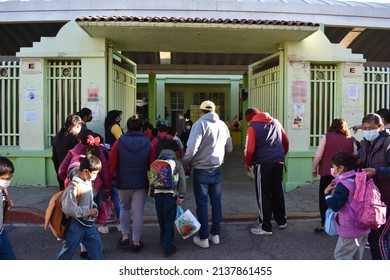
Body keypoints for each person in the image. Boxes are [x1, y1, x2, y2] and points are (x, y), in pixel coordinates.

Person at [182, 100, 233, 248]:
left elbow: (191, 148)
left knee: (202, 204)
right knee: (216, 202)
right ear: (214, 110)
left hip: (201, 169)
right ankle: (215, 234)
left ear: (201, 111)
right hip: (217, 168)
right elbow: (229, 147)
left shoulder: (199, 124)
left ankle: (203, 238)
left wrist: (186, 160)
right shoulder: (222, 125)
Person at [108, 115, 155, 253]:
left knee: (124, 208)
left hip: (123, 182)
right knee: (138, 212)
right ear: (141, 128)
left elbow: (111, 164)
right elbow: (152, 166)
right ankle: (136, 241)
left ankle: (124, 237)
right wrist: (152, 185)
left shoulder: (119, 142)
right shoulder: (148, 143)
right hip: (141, 183)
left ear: (126, 127)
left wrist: (108, 181)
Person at [244, 107, 289, 236]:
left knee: (263, 194)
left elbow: (250, 150)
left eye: (249, 120)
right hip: (278, 162)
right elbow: (285, 141)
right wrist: (280, 155)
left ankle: (265, 226)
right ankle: (281, 220)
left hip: (262, 164)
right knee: (277, 191)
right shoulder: (276, 122)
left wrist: (247, 163)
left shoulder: (252, 127)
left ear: (250, 117)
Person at [312, 118, 357, 232]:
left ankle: (325, 223)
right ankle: (342, 223)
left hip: (328, 172)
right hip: (345, 175)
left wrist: (314, 168)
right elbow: (355, 155)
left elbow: (318, 155)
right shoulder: (351, 140)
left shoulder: (327, 136)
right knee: (345, 198)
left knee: (325, 196)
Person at [57, 154, 104, 260]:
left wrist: (94, 209)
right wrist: (88, 211)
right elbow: (69, 209)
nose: (96, 176)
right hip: (75, 225)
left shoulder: (87, 182)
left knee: (97, 249)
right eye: (95, 173)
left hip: (88, 224)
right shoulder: (73, 187)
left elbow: (89, 202)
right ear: (86, 171)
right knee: (67, 252)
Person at [324, 152, 369, 260]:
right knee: (356, 257)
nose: (332, 169)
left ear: (341, 168)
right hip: (363, 225)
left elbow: (335, 206)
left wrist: (326, 194)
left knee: (341, 256)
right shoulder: (360, 179)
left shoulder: (343, 184)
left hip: (350, 228)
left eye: (333, 167)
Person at [358, 112, 390, 260]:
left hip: (387, 198)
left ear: (381, 127)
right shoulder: (364, 143)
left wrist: (376, 171)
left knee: (378, 239)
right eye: (365, 128)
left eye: (371, 128)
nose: (368, 131)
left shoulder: (387, 142)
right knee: (376, 238)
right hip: (373, 200)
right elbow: (359, 162)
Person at [152, 139, 186, 257]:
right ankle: (168, 246)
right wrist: (181, 196)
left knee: (161, 219)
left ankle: (163, 240)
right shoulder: (177, 162)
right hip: (170, 195)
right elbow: (182, 181)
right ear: (175, 150)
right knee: (169, 220)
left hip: (157, 194)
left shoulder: (157, 160)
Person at [52, 114, 83, 191]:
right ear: (77, 125)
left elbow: (54, 158)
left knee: (63, 194)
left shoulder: (57, 137)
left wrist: (59, 171)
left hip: (60, 169)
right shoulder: (77, 137)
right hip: (73, 171)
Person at [0, 157, 16, 260]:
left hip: (1, 232)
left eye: (9, 178)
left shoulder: (2, 190)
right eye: (4, 179)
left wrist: (5, 203)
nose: (7, 181)